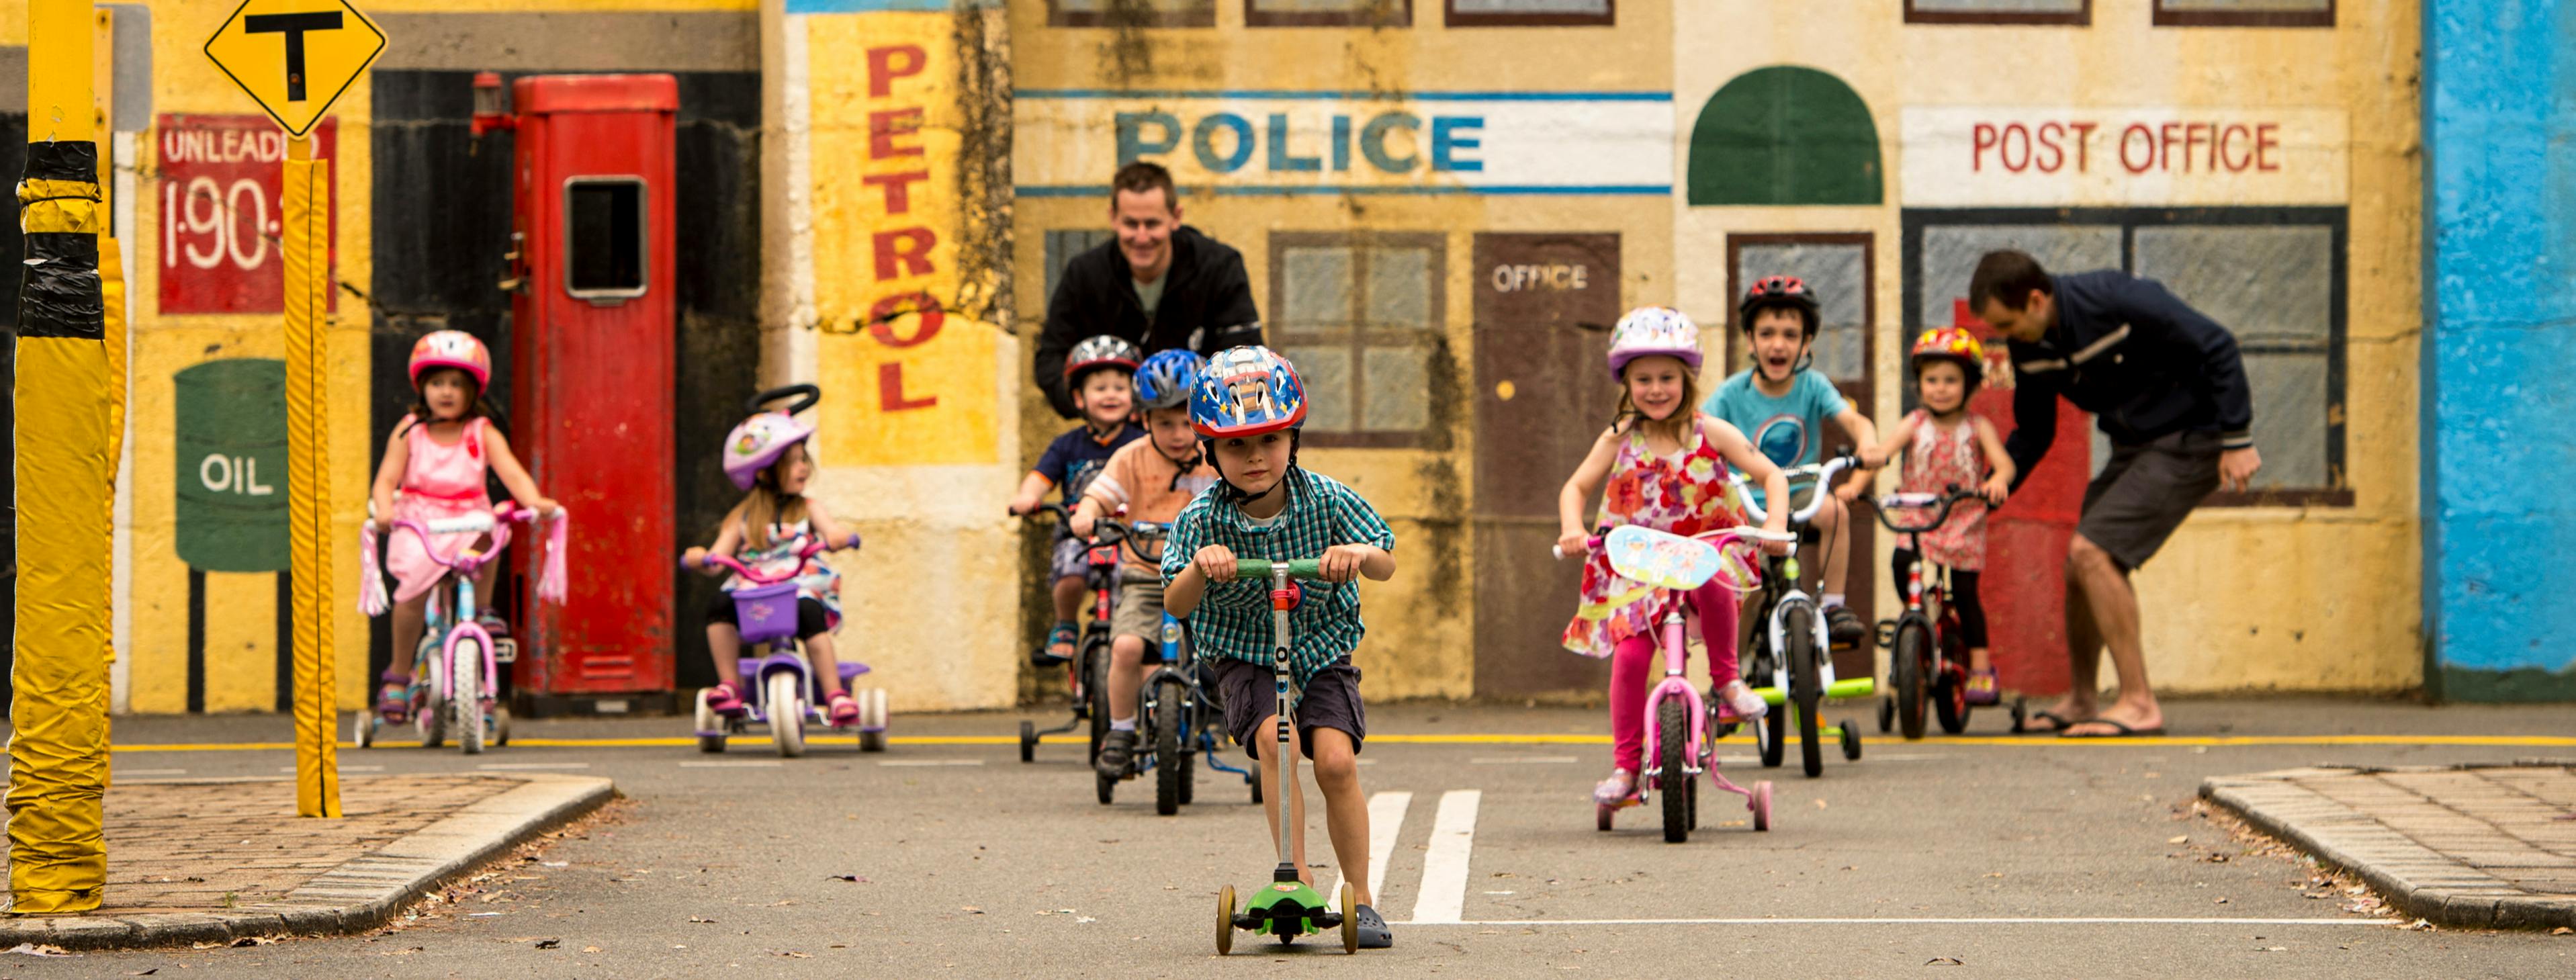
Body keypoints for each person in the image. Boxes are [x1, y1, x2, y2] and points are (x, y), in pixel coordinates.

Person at [1968, 249, 2261, 738]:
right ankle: (2083, 698)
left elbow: (2217, 345)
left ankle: (2138, 702)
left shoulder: (2115, 299)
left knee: (2093, 551)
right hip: (2136, 445)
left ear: (2036, 300)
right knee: (2077, 564)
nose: (2007, 337)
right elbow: (2034, 430)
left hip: (2193, 438)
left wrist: (2237, 437)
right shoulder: (2032, 345)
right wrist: (1988, 486)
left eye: (2008, 323)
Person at [1163, 346, 1396, 949]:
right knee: (1274, 738)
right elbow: (1175, 604)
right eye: (1235, 446)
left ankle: (1361, 897)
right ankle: (1296, 877)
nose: (1255, 457)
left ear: (1294, 438)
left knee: (1337, 762)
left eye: (1269, 440)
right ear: (1210, 451)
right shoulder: (1199, 518)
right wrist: (1199, 566)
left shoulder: (1327, 498)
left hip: (1320, 647)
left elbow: (1386, 562)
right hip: (1244, 655)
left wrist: (1358, 556)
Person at [1556, 307, 1792, 810]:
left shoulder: (1713, 431)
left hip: (1704, 552)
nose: (1656, 389)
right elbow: (1575, 486)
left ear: (1686, 379)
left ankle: (1726, 678)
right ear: (1626, 383)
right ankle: (1625, 765)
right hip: (1638, 566)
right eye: (1643, 379)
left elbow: (1772, 475)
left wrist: (1773, 523)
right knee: (1630, 658)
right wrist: (1573, 528)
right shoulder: (1620, 435)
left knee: (1711, 578)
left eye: (1667, 377)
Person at [368, 330, 560, 723]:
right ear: (423, 387)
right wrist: (385, 510)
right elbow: (386, 479)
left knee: (490, 530)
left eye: (457, 384)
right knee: (410, 598)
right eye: (437, 383)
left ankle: (483, 608)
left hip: (467, 517)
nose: (447, 392)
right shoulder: (410, 432)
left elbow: (513, 474)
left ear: (474, 391)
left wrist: (535, 502)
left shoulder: (482, 432)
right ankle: (399, 673)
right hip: (420, 520)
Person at [1701, 275, 1883, 650]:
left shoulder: (1813, 386)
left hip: (1801, 497)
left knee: (1836, 513)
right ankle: (1732, 663)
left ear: (1806, 344)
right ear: (1750, 341)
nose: (1778, 344)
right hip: (1749, 503)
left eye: (1790, 334)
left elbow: (1855, 422)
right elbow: (1698, 431)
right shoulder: (1732, 393)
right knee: (1744, 587)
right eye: (1766, 334)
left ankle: (1833, 606)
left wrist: (1869, 443)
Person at [1070, 349, 1219, 779]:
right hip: (1147, 575)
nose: (1177, 435)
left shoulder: (1218, 455)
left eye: (1187, 422)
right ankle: (1119, 731)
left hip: (1210, 580)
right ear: (1144, 420)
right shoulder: (1131, 457)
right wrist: (1086, 514)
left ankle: (1241, 714)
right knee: (1127, 647)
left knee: (1235, 649)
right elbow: (1102, 493)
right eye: (1164, 423)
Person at [1858, 327, 2017, 705]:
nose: (1940, 388)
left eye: (1951, 380)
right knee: (1902, 563)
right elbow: (1883, 454)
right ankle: (1916, 617)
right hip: (1917, 516)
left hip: (1962, 518)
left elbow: (2006, 466)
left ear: (1970, 384)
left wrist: (1996, 481)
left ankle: (1980, 666)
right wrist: (1856, 484)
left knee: (1965, 592)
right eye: (1932, 380)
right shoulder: (1914, 423)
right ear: (1919, 383)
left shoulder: (1978, 428)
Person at [1032, 161, 1261, 418]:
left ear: (1175, 217)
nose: (1141, 237)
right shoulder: (1084, 274)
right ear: (1113, 218)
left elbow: (1245, 357)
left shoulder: (1219, 267)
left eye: (1152, 224)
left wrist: (1193, 410)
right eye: (1131, 224)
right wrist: (1095, 405)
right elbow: (1050, 359)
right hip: (1115, 428)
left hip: (1198, 426)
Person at [682, 402, 864, 725]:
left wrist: (837, 536)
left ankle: (835, 694)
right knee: (720, 604)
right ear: (765, 471)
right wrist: (701, 558)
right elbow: (718, 558)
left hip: (797, 583)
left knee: (810, 613)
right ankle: (730, 684)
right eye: (792, 462)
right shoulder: (743, 516)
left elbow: (831, 529)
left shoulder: (808, 508)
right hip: (753, 585)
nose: (803, 468)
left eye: (803, 461)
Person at [1008, 336, 1145, 665]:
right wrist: (1027, 498)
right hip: (1078, 534)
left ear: (1134, 397)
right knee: (1070, 571)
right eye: (1100, 388)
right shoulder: (1067, 445)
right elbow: (1040, 478)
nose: (1111, 394)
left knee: (1129, 588)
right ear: (1079, 399)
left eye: (1119, 387)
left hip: (1128, 538)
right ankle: (1066, 624)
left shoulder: (1142, 443)